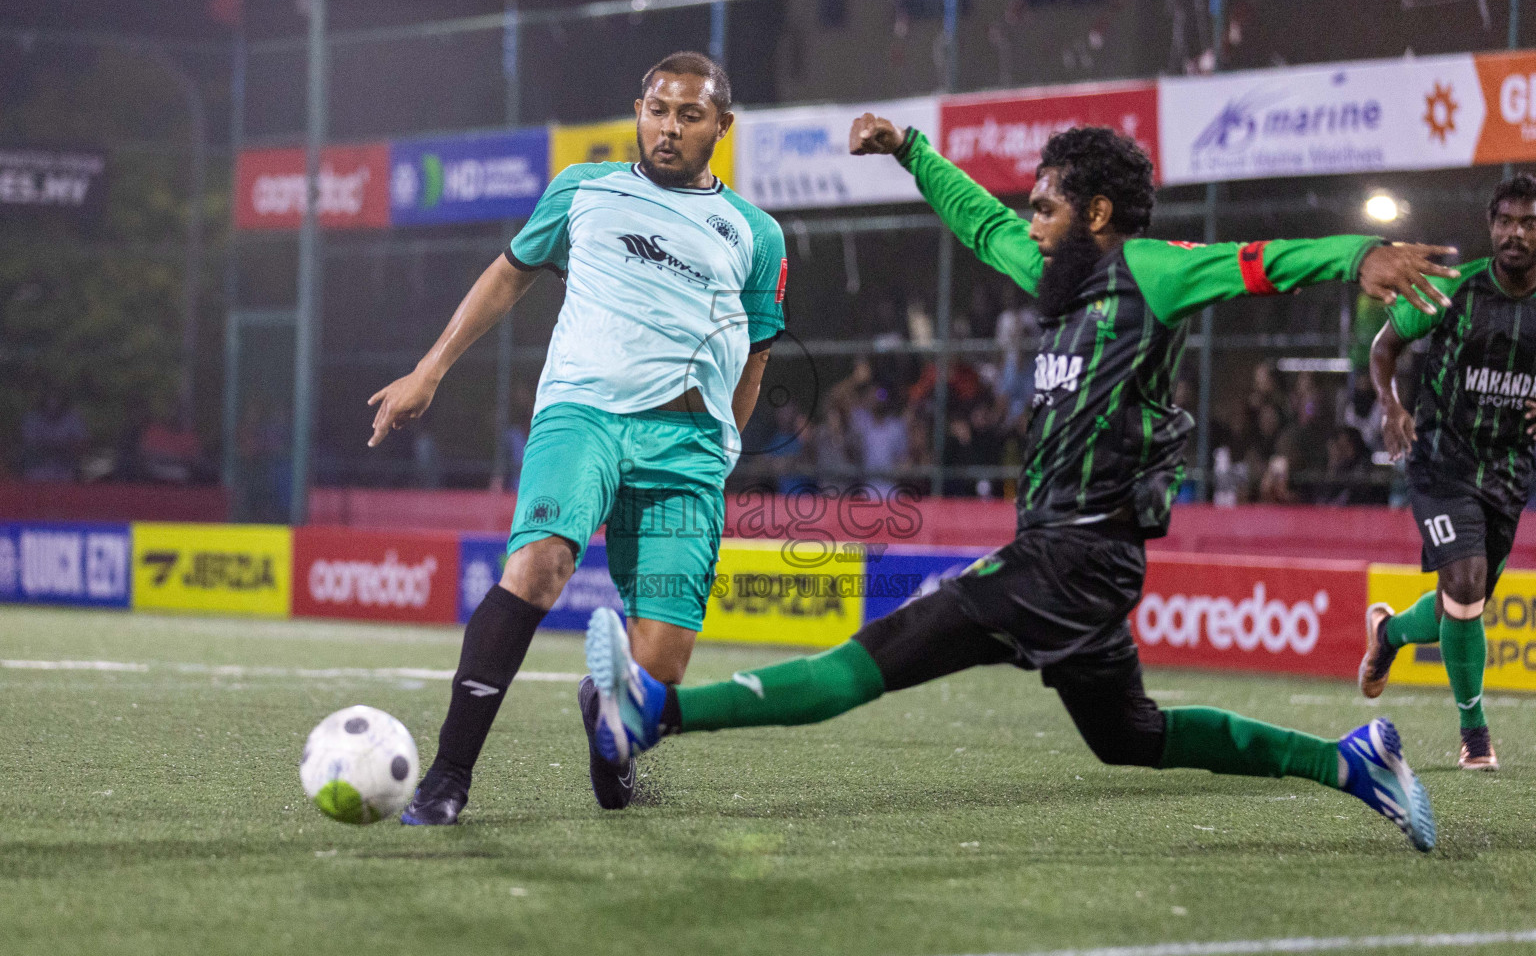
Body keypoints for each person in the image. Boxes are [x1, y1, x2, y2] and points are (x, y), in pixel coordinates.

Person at [584, 118, 1463, 853]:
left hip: (1074, 554)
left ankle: (654, 713)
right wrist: (909, 150)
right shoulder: (1056, 276)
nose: (1031, 223)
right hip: (1075, 559)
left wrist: (1359, 257)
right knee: (1130, 737)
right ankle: (1353, 761)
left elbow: (1262, 259)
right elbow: (978, 224)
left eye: (1046, 207)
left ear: (1100, 212)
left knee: (876, 656)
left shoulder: (1151, 272)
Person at [368, 51, 786, 822]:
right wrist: (430, 370)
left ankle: (606, 709)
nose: (668, 128)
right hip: (582, 414)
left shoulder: (757, 235)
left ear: (721, 127)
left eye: (690, 115)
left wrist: (728, 442)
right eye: (657, 110)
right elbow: (506, 274)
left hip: (688, 448)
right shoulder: (583, 190)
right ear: (638, 110)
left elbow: (754, 357)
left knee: (660, 665)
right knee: (539, 565)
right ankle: (448, 778)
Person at [1358, 174, 1536, 772]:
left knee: (1463, 600)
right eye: (1506, 221)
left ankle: (1388, 635)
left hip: (1510, 471)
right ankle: (1475, 733)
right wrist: (1391, 407)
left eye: (1529, 223)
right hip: (1441, 459)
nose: (1516, 233)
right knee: (1465, 584)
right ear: (1491, 225)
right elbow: (1385, 346)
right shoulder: (1455, 288)